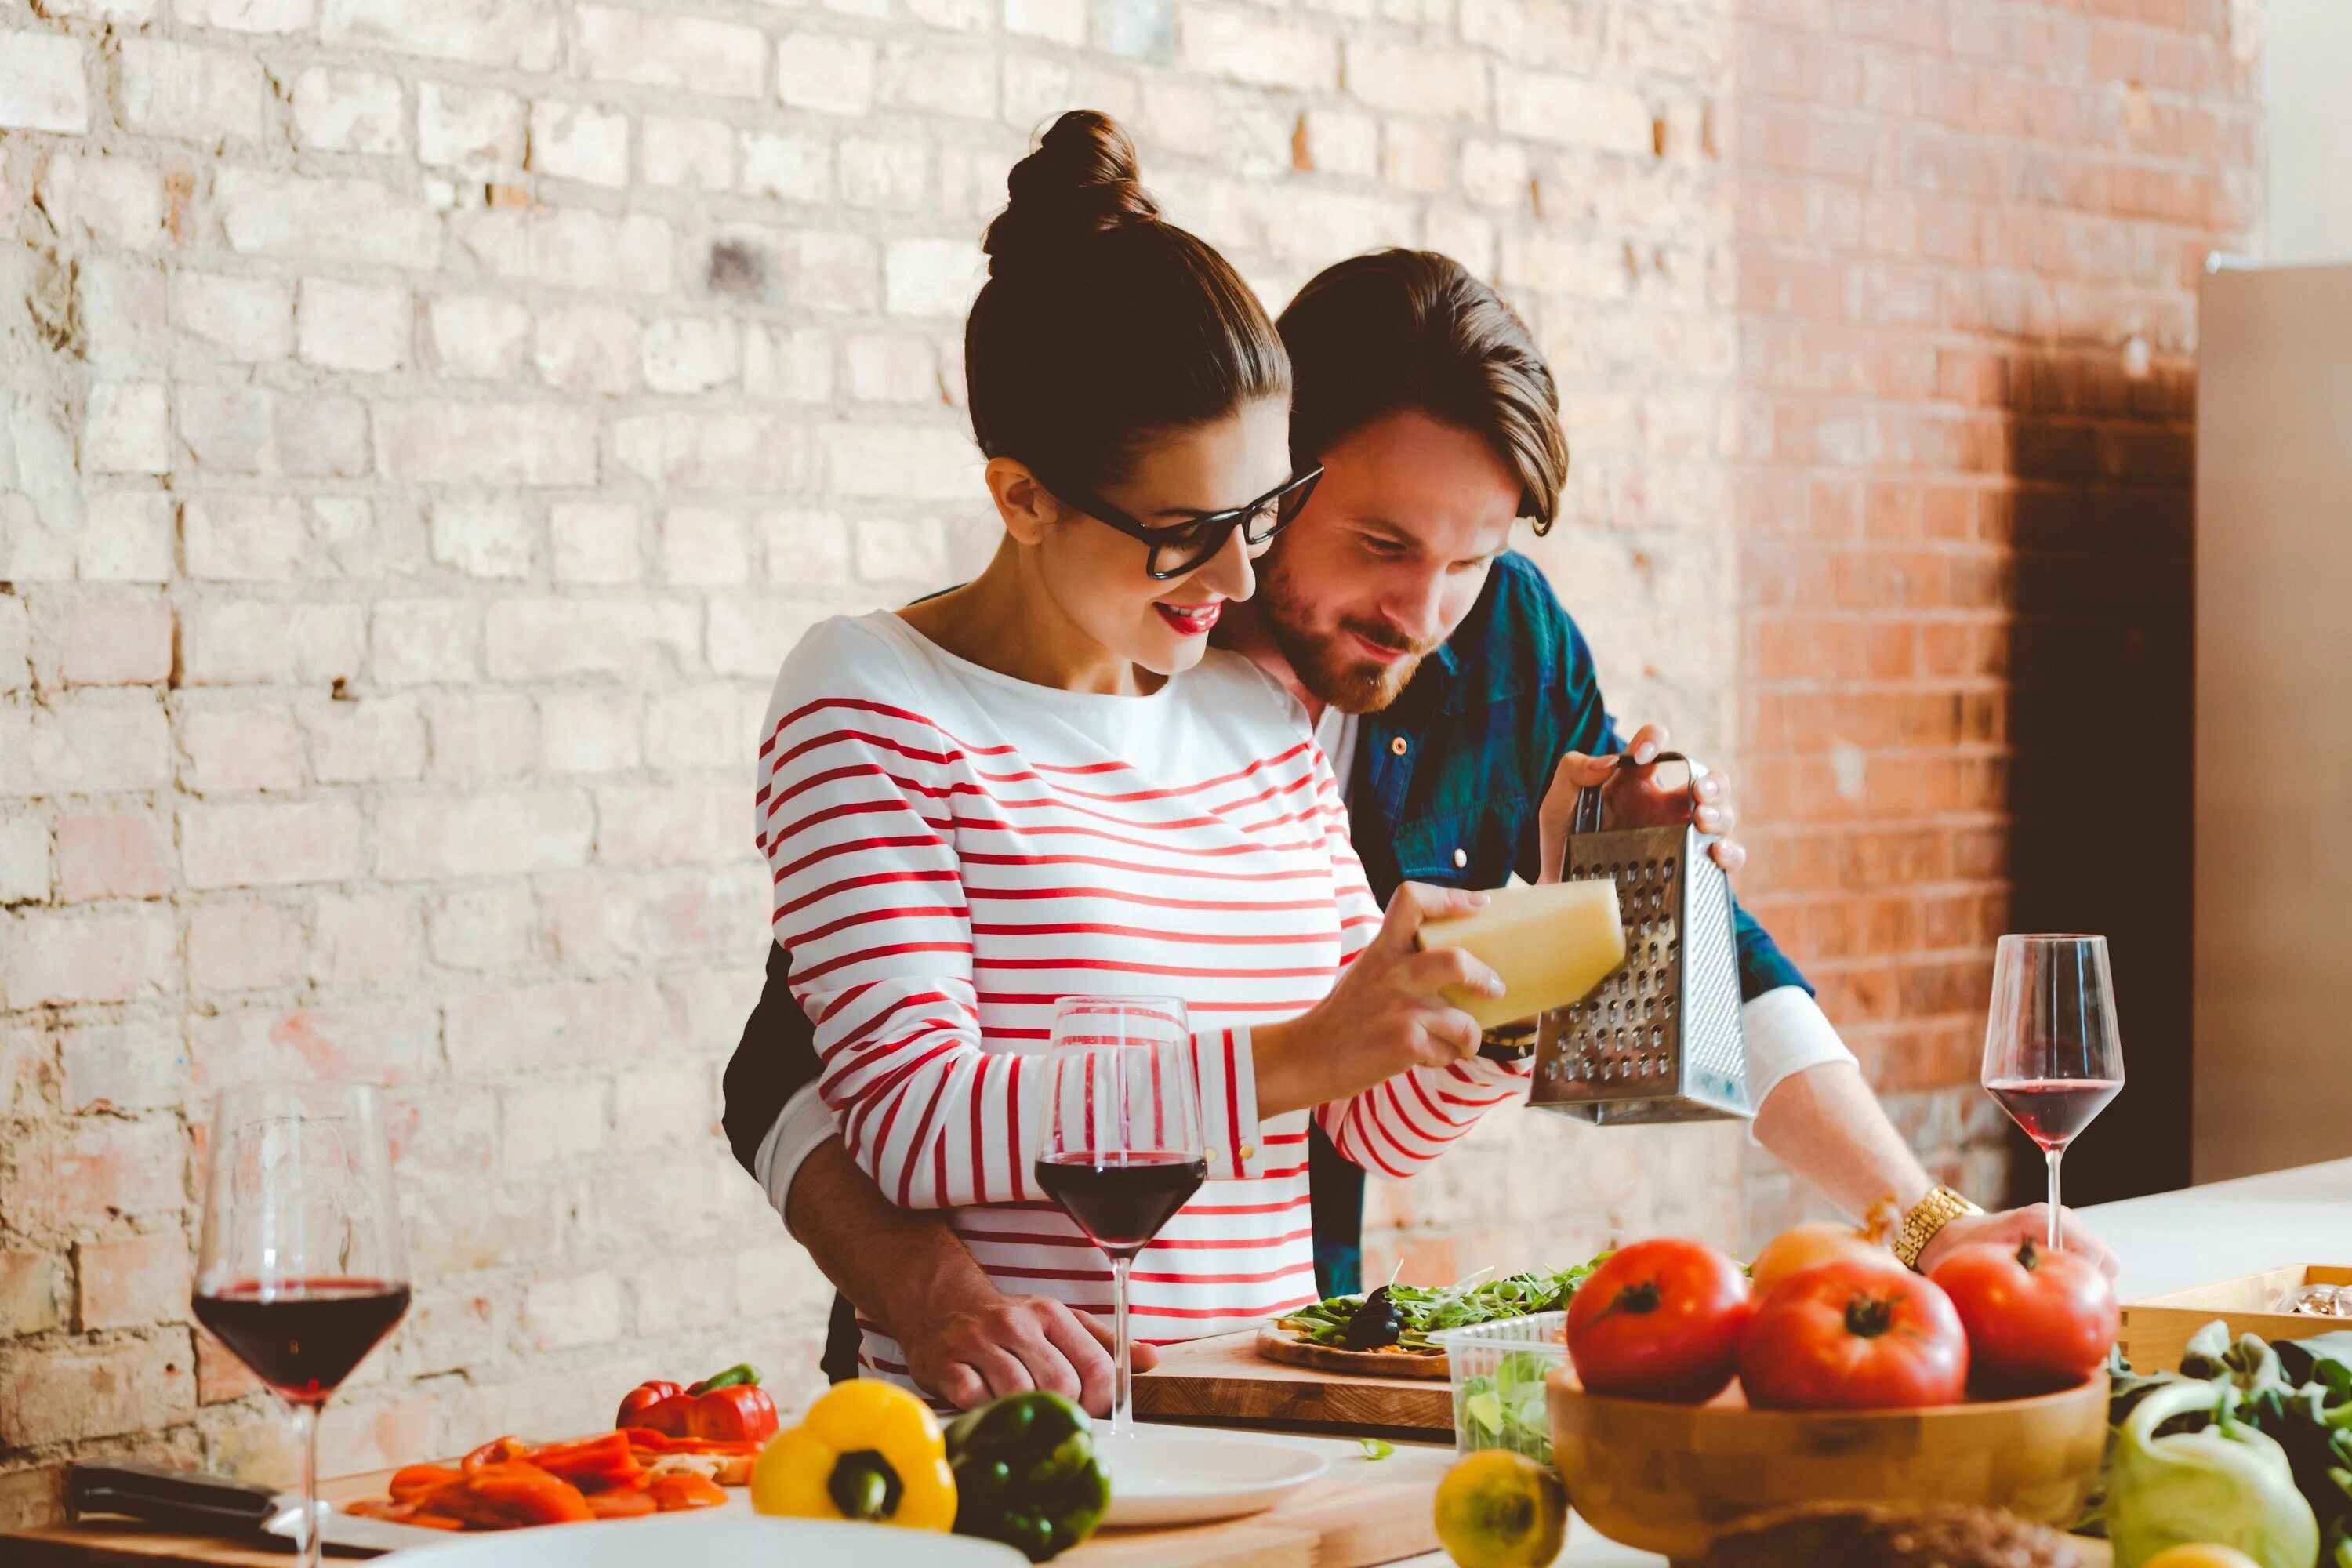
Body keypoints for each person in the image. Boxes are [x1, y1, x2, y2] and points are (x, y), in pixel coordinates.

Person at [729, 236, 2115, 1410]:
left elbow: (1444, 1067)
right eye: (1381, 546)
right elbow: (832, 1074)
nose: (1424, 612)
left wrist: (1575, 940)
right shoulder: (981, 675)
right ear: (1277, 476)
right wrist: (922, 1277)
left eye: (1474, 557)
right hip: (1013, 1385)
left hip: (1266, 1353)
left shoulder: (1468, 653)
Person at [752, 113, 1531, 1394]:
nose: (1240, 573)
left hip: (1260, 1424)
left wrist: (1492, 1021)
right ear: (1023, 497)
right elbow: (910, 1120)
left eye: (1264, 511)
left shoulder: (1251, 713)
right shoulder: (876, 699)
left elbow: (1367, 1121)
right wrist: (1293, 1054)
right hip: (1005, 1450)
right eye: (1189, 529)